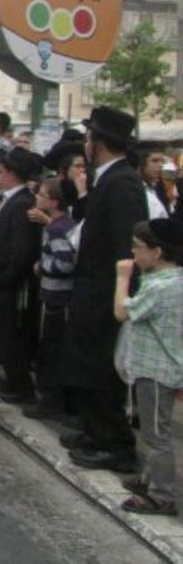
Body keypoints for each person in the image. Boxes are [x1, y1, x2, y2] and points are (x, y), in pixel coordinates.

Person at [61, 107, 147, 474]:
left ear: (99, 143)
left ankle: (115, 444)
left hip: (105, 293)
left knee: (101, 369)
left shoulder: (123, 182)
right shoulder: (107, 179)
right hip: (92, 289)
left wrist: (120, 293)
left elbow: (124, 246)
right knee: (86, 364)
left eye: (89, 138)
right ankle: (94, 432)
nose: (86, 145)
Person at [114, 219, 183, 516]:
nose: (133, 252)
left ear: (157, 252)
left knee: (157, 434)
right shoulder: (169, 280)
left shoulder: (162, 286)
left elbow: (122, 311)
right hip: (154, 367)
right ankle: (150, 479)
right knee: (152, 430)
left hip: (157, 369)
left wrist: (122, 278)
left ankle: (162, 495)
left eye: (138, 247)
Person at [0, 146, 43, 404]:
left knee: (12, 335)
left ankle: (19, 385)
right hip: (3, 280)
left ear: (12, 173)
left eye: (0, 172)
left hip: (12, 285)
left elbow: (21, 251)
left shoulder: (21, 203)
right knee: (4, 332)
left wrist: (4, 278)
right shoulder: (14, 200)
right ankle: (12, 378)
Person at [22, 176, 78, 421]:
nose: (37, 198)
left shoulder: (56, 229)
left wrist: (42, 266)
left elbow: (65, 264)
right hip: (58, 296)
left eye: (42, 195)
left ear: (54, 203)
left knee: (51, 350)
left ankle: (50, 400)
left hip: (56, 297)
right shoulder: (65, 224)